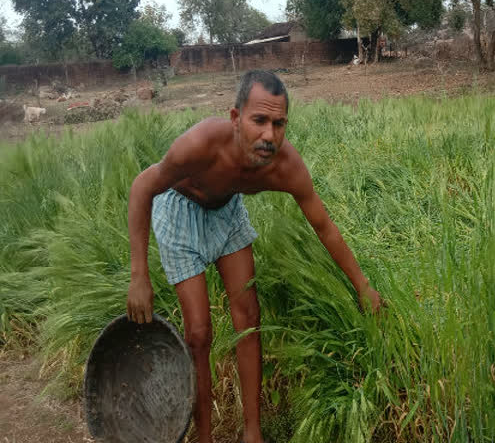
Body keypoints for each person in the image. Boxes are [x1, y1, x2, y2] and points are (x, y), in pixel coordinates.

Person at [126, 70, 381, 443]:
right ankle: (205, 437)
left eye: (278, 124)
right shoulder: (200, 145)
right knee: (198, 333)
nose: (268, 135)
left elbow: (324, 226)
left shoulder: (285, 166)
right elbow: (142, 186)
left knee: (248, 318)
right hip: (181, 213)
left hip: (228, 214)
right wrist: (139, 276)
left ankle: (252, 433)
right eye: (259, 120)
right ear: (235, 118)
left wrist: (363, 287)